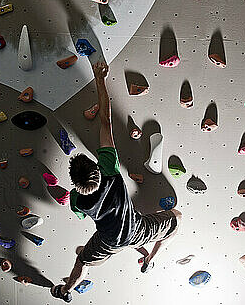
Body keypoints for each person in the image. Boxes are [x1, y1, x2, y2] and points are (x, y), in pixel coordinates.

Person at [51, 61, 182, 303]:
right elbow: (105, 121)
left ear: (75, 184)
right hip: (136, 230)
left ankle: (65, 290)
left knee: (82, 260)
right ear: (96, 168)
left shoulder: (77, 200)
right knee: (177, 219)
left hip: (108, 240)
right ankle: (149, 260)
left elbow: (80, 214)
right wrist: (99, 80)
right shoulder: (109, 169)